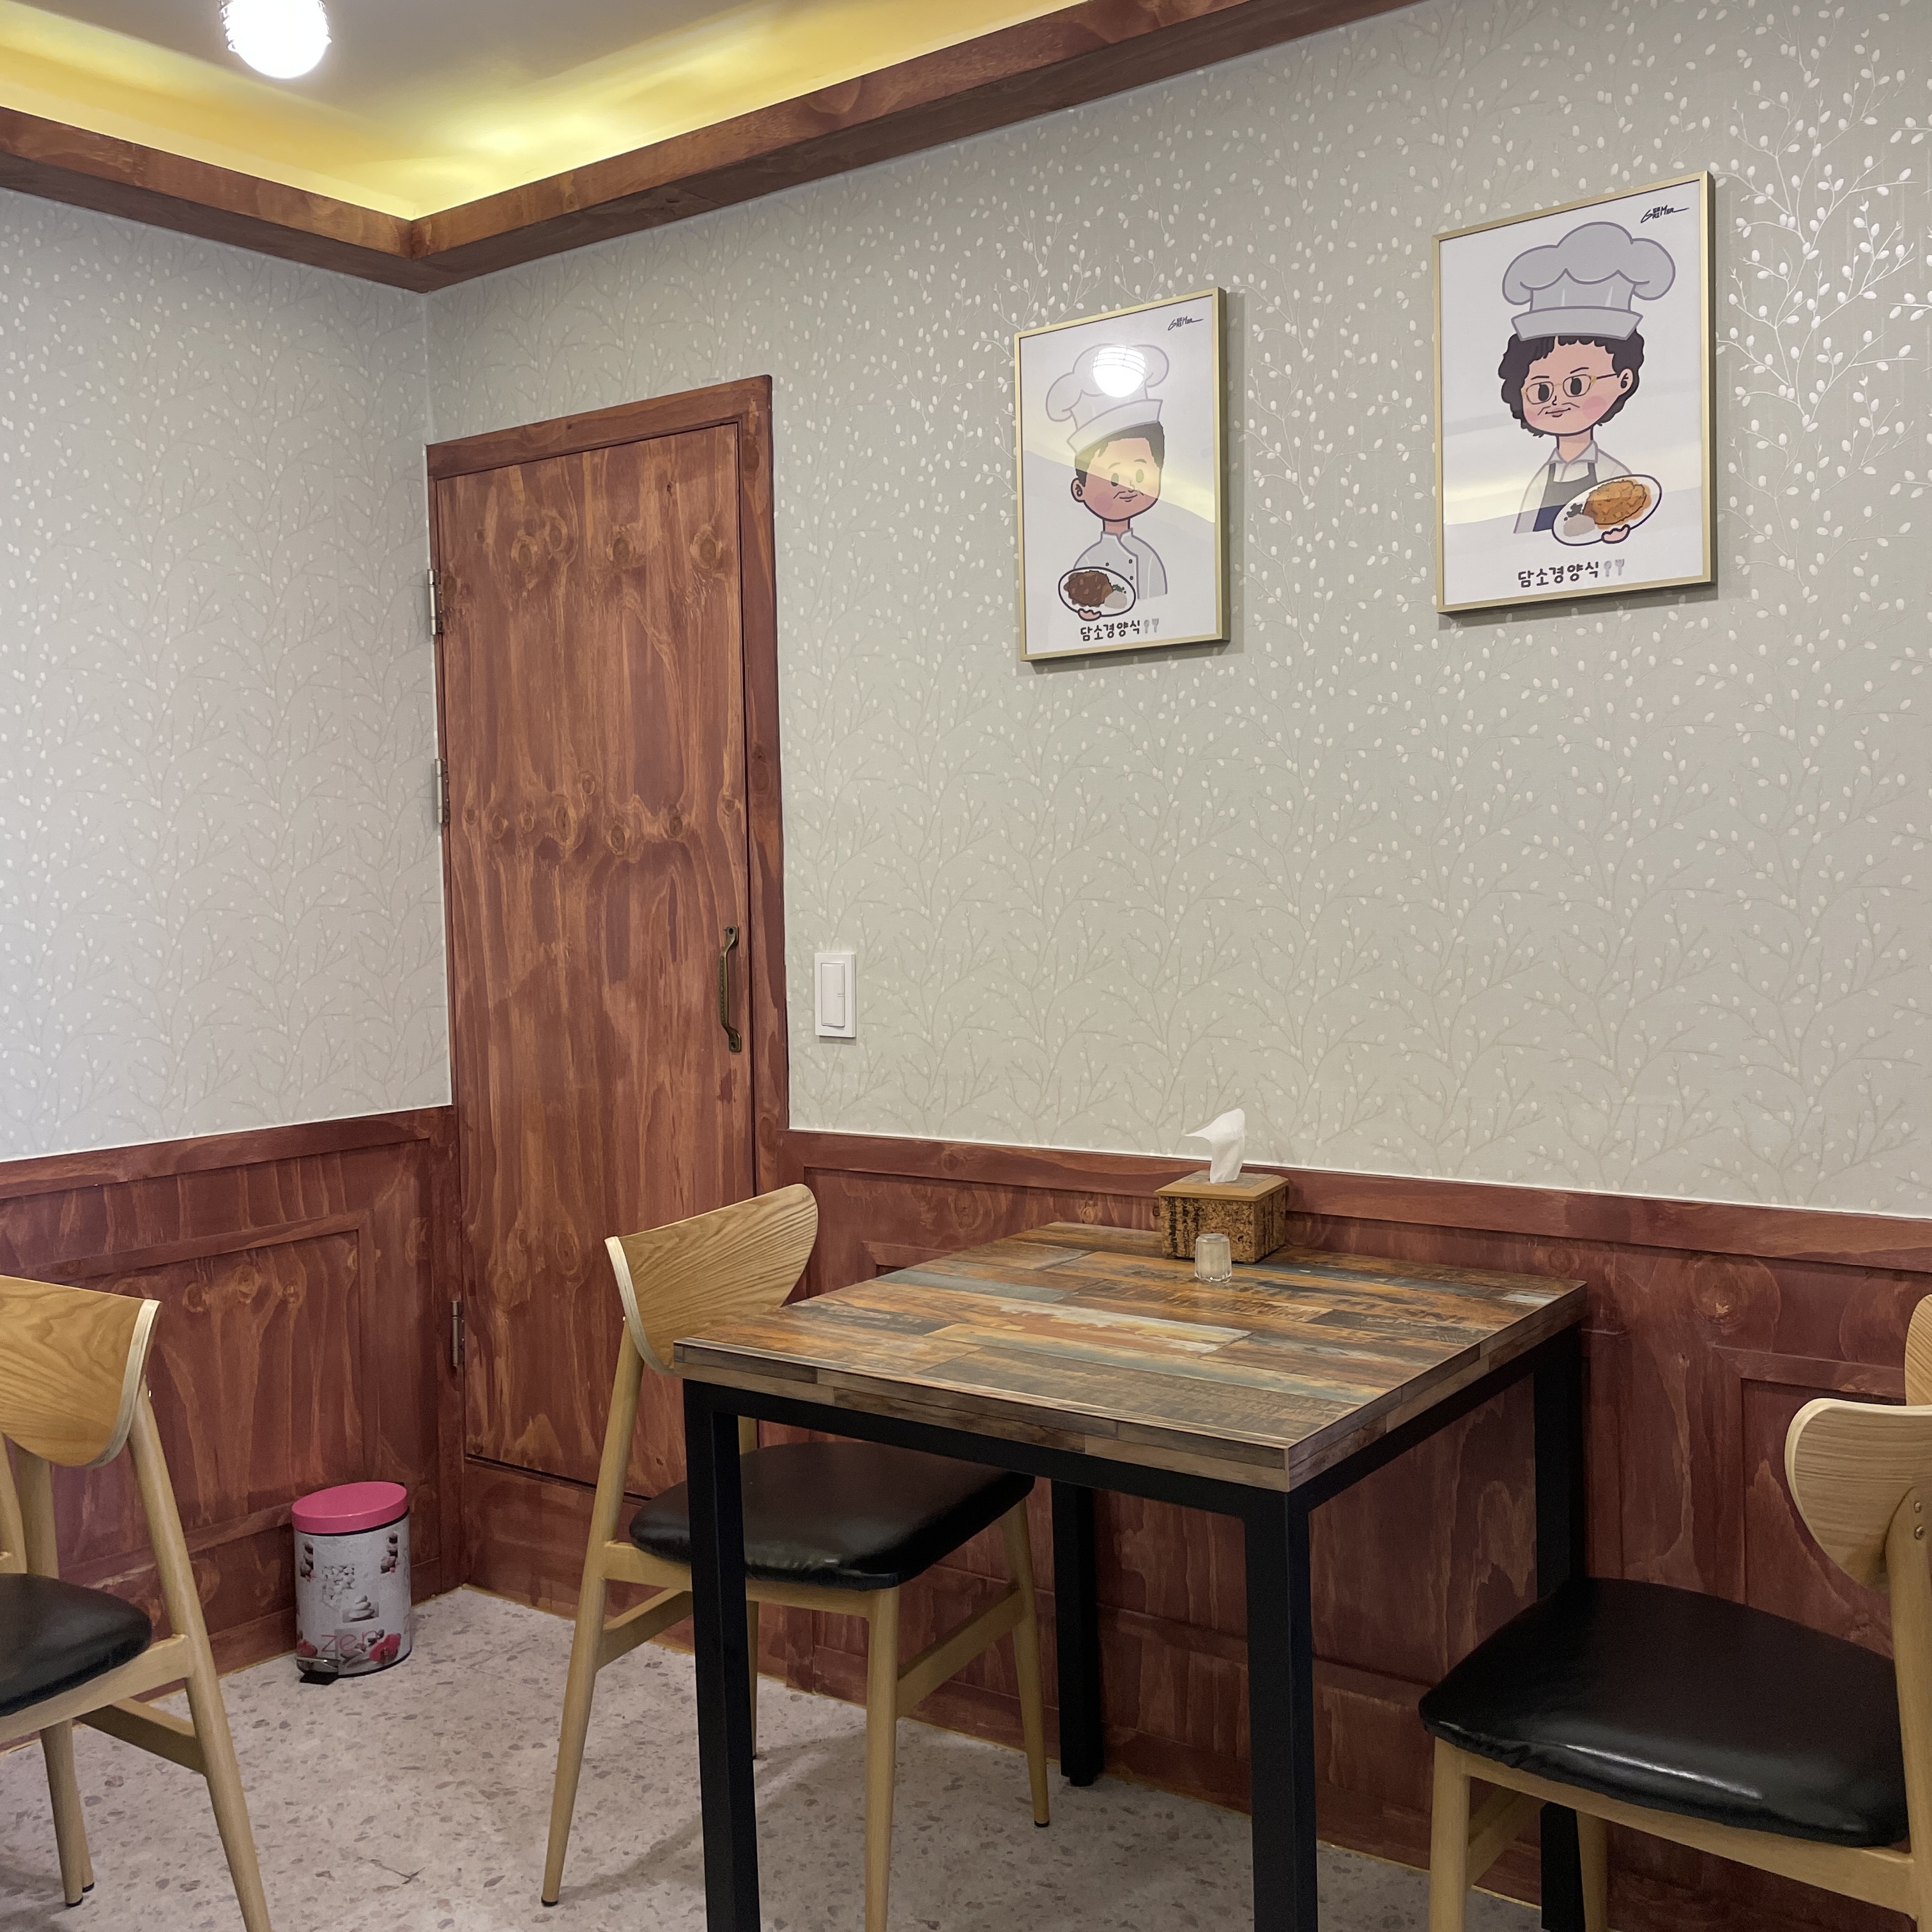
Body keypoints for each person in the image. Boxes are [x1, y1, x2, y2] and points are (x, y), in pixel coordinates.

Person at [1498, 220, 1673, 537]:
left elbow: (1629, 521)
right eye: (1541, 390)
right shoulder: (1541, 478)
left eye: (1576, 385)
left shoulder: (1614, 475)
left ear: (1623, 381)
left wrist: (1619, 535)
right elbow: (1521, 537)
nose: (1557, 401)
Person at [1047, 342, 1170, 602]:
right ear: (1079, 489)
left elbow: (1161, 604)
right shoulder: (1087, 562)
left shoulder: (1148, 558)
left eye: (1140, 476)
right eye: (1113, 479)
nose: (1129, 487)